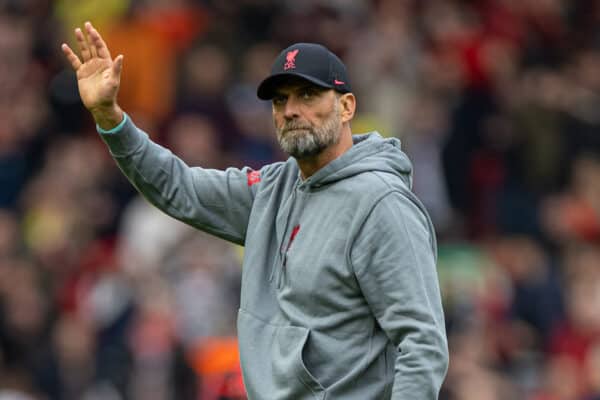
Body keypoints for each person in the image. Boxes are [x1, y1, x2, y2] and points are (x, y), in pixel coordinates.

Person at [61, 21, 449, 400]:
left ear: (346, 106)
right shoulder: (272, 190)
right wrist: (110, 118)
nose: (291, 110)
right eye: (281, 100)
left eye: (308, 96)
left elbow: (422, 343)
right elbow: (177, 186)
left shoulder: (383, 204)